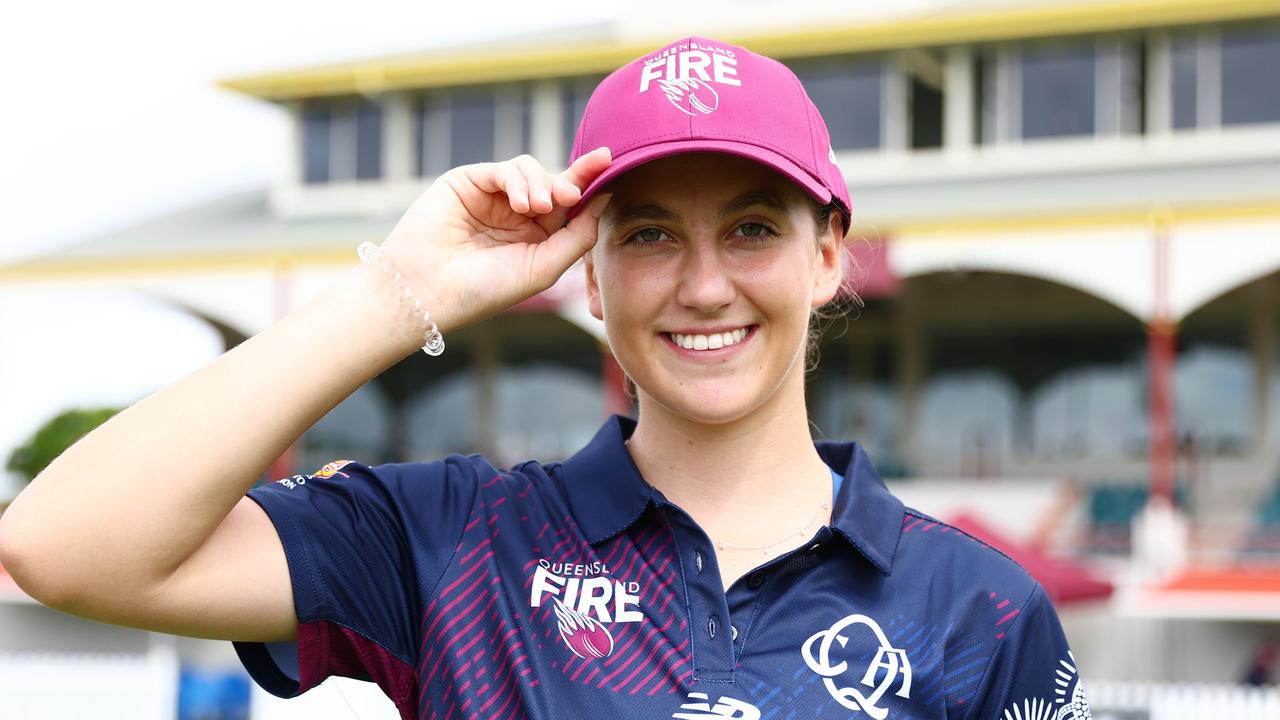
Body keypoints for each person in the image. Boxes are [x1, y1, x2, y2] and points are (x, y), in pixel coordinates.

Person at [0, 36, 1091, 719]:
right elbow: (62, 545)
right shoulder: (446, 540)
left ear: (824, 255)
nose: (703, 285)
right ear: (588, 274)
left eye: (751, 228)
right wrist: (397, 294)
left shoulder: (977, 613)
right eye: (650, 236)